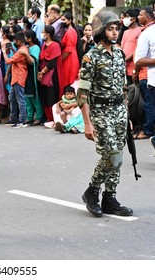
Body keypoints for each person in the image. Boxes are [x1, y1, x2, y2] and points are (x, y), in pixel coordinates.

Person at [78, 11, 133, 218]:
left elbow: (124, 89)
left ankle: (110, 197)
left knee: (118, 155)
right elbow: (82, 93)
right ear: (102, 31)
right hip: (101, 112)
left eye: (116, 28)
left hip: (119, 110)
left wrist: (127, 116)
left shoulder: (119, 54)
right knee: (112, 155)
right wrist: (87, 123)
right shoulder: (91, 57)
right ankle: (92, 191)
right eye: (110, 29)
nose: (115, 32)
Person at [134, 7, 155, 141]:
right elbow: (139, 60)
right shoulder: (146, 34)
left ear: (147, 17)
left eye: (140, 15)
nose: (137, 17)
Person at [2, 31, 29, 128]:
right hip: (16, 77)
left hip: (19, 76)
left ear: (19, 41)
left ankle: (22, 120)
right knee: (12, 98)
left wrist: (4, 52)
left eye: (15, 41)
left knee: (20, 99)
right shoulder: (21, 49)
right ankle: (14, 117)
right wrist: (13, 50)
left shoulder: (22, 50)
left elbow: (9, 61)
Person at [38, 25, 62, 125]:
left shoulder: (55, 45)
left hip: (50, 73)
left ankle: (53, 118)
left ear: (48, 34)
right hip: (42, 72)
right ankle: (48, 117)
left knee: (51, 95)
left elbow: (52, 62)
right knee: (44, 96)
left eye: (43, 32)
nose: (42, 34)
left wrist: (42, 72)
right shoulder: (44, 45)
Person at [60, 12, 80, 94]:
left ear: (70, 21)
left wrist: (59, 60)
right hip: (70, 57)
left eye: (64, 20)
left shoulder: (70, 32)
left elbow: (68, 50)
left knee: (68, 81)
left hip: (69, 59)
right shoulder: (69, 31)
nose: (62, 22)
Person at [121, 8, 141, 85]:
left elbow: (137, 50)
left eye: (127, 16)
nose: (125, 19)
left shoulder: (140, 31)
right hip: (124, 67)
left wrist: (125, 59)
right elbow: (122, 47)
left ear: (133, 19)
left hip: (134, 68)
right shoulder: (125, 32)